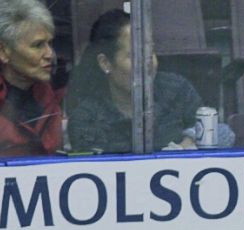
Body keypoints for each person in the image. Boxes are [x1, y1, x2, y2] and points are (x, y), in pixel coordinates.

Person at [65, 9, 229, 152]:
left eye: (150, 52)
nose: (148, 63)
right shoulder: (86, 118)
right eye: (135, 56)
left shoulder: (177, 89)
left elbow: (223, 132)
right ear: (105, 63)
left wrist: (188, 144)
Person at [0, 0, 61, 156]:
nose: (50, 54)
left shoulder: (52, 98)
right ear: (4, 51)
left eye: (50, 43)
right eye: (38, 45)